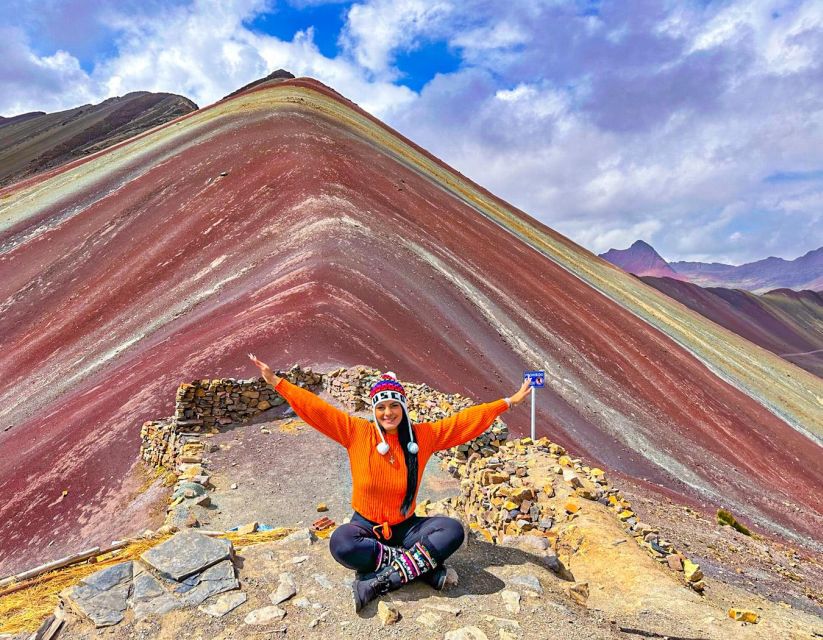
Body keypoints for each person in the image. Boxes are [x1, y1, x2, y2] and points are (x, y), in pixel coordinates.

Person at [248, 354, 531, 612]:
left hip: (407, 527)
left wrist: (508, 402)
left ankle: (382, 580)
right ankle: (423, 567)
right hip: (366, 526)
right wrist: (277, 382)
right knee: (342, 543)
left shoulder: (423, 437)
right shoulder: (356, 433)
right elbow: (317, 409)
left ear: (403, 407)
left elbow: (463, 421)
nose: (388, 413)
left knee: (452, 530)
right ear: (374, 409)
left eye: (394, 405)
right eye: (381, 406)